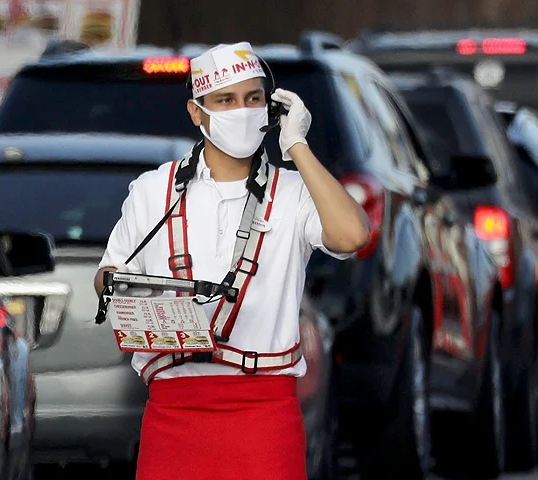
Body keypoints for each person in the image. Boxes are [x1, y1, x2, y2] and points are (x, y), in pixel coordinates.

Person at [93, 42, 370, 480]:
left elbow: (352, 234)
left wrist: (296, 144)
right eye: (225, 100)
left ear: (270, 106)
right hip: (173, 413)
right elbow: (110, 275)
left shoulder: (294, 191)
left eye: (253, 98)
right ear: (196, 112)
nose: (242, 111)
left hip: (265, 411)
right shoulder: (153, 191)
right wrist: (135, 296)